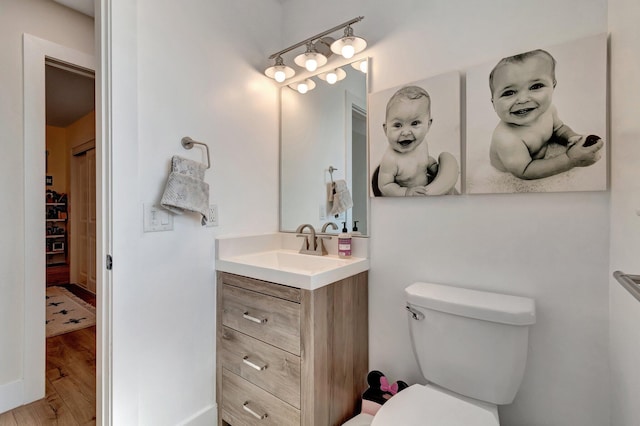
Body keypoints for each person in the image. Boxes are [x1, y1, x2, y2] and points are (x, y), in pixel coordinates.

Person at [488, 49, 604, 180]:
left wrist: (571, 137)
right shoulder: (506, 138)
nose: (523, 99)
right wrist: (570, 159)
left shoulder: (549, 110)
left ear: (553, 87)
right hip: (510, 173)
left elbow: (559, 129)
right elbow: (525, 171)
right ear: (493, 103)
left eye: (536, 86)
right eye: (509, 93)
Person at [376, 85, 439, 196]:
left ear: (428, 125)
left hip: (425, 189)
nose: (405, 132)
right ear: (385, 129)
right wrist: (406, 192)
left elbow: (423, 161)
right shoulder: (390, 160)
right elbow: (385, 186)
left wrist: (433, 165)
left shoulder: (422, 144)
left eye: (414, 123)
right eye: (397, 125)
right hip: (403, 200)